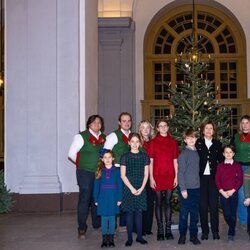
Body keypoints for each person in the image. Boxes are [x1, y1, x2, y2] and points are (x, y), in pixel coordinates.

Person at [68, 115, 106, 239]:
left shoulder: (103, 138)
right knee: (85, 198)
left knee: (97, 197)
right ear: (89, 124)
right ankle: (82, 228)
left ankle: (96, 223)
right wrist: (84, 164)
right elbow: (71, 154)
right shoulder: (81, 136)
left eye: (99, 122)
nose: (97, 124)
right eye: (94, 122)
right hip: (85, 173)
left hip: (99, 172)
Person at [148, 119, 179, 241]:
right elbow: (150, 161)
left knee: (168, 202)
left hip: (169, 175)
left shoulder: (173, 142)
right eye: (160, 126)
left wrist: (176, 176)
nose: (163, 128)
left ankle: (168, 229)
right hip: (157, 175)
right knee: (159, 202)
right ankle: (160, 230)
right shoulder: (153, 142)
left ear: (168, 127)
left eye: (165, 126)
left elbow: (175, 160)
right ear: (157, 128)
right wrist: (151, 177)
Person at [103, 112, 132, 231]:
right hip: (116, 169)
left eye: (129, 121)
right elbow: (104, 153)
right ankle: (113, 223)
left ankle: (123, 224)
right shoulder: (113, 136)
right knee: (115, 196)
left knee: (125, 196)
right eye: (124, 121)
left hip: (129, 169)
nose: (126, 123)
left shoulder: (131, 135)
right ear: (119, 123)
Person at [196, 120, 224, 240]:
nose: (208, 130)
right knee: (202, 206)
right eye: (206, 128)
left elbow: (222, 161)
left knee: (213, 206)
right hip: (201, 178)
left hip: (213, 179)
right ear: (203, 130)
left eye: (211, 128)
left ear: (214, 131)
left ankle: (215, 231)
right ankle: (205, 231)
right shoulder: (198, 143)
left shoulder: (217, 144)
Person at [120, 133, 150, 247]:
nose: (135, 144)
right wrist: (132, 188)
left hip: (141, 186)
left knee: (139, 213)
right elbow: (123, 175)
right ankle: (129, 238)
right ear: (128, 143)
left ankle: (140, 237)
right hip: (128, 187)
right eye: (132, 141)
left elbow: (146, 174)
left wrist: (142, 188)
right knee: (129, 213)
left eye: (137, 141)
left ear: (140, 143)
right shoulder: (125, 156)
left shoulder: (144, 156)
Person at [93, 150, 123, 248]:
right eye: (105, 157)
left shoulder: (117, 170)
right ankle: (104, 239)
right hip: (102, 198)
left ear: (113, 158)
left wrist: (119, 198)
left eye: (109, 157)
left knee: (112, 219)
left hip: (113, 198)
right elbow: (96, 186)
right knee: (104, 219)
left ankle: (111, 239)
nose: (107, 159)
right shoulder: (100, 171)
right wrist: (96, 199)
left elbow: (120, 185)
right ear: (102, 159)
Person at [177, 129, 201, 245]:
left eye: (193, 137)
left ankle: (193, 236)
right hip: (186, 189)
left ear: (196, 139)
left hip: (196, 189)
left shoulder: (197, 152)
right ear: (185, 140)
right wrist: (183, 189)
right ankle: (182, 235)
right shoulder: (183, 154)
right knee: (184, 214)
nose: (191, 140)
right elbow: (180, 173)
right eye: (188, 138)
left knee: (194, 214)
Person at [215, 145, 243, 241]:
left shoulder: (237, 166)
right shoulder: (220, 166)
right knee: (226, 213)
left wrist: (233, 190)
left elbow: (240, 180)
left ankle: (231, 230)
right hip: (223, 193)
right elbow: (217, 180)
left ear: (233, 154)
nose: (228, 154)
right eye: (226, 152)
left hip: (233, 192)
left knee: (232, 213)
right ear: (223, 154)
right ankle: (232, 225)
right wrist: (222, 191)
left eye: (230, 152)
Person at [231, 115, 250, 226]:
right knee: (242, 193)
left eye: (247, 122)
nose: (244, 125)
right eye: (242, 123)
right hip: (239, 168)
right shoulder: (236, 137)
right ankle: (244, 220)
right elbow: (229, 151)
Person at [138, 120, 155, 235]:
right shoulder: (136, 142)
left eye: (147, 127)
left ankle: (147, 228)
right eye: (143, 127)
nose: (145, 129)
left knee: (149, 202)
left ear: (150, 130)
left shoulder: (154, 142)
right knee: (140, 202)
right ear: (140, 129)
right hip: (139, 175)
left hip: (151, 175)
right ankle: (139, 228)